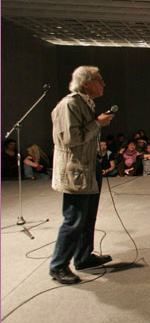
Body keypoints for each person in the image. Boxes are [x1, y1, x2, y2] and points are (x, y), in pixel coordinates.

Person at [49, 65, 114, 284]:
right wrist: (98, 123)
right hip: (75, 170)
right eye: (99, 79)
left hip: (89, 166)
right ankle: (58, 266)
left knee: (88, 217)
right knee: (74, 219)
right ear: (85, 83)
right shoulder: (70, 105)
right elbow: (71, 139)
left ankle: (84, 256)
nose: (103, 83)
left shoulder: (85, 103)